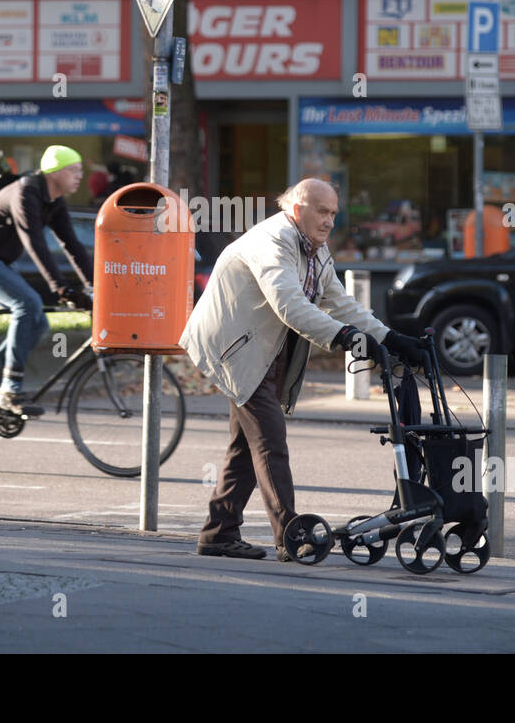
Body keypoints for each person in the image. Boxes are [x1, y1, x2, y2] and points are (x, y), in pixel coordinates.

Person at [182, 177, 433, 561]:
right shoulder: (273, 241)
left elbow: (340, 302)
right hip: (234, 348)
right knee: (269, 440)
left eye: (334, 212)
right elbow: (289, 305)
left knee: (246, 445)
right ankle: (291, 535)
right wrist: (344, 336)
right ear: (298, 209)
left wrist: (390, 339)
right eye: (322, 211)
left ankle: (219, 532)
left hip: (263, 347)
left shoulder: (315, 249)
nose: (330, 220)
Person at [0, 144, 92, 414]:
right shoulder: (26, 191)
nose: (80, 176)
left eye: (81, 171)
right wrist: (60, 287)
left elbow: (72, 245)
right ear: (55, 171)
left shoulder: (55, 201)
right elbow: (35, 243)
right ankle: (10, 389)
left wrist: (93, 286)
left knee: (39, 323)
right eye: (74, 170)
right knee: (27, 304)